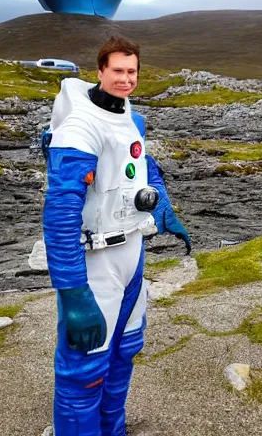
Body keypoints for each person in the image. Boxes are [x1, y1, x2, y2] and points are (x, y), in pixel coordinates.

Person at [42, 35, 191, 435]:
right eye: (118, 71)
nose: (125, 79)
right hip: (96, 260)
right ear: (100, 71)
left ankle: (114, 428)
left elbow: (144, 164)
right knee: (84, 369)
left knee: (124, 351)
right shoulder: (79, 126)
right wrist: (73, 292)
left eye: (132, 72)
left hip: (132, 250)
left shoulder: (130, 117)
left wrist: (163, 207)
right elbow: (59, 214)